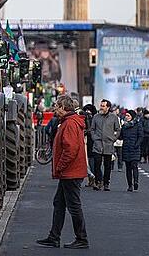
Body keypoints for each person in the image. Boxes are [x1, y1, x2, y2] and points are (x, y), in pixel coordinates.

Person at [36, 95, 90, 249]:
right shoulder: (68, 122)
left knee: (73, 205)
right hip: (70, 171)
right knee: (59, 203)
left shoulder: (70, 124)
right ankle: (54, 237)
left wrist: (60, 166)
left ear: (64, 108)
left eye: (57, 106)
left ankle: (82, 238)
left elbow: (70, 149)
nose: (55, 109)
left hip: (70, 172)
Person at [89, 99, 120, 191]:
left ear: (108, 107)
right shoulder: (96, 117)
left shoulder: (113, 117)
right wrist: (94, 138)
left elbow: (118, 130)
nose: (101, 107)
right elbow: (92, 129)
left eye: (103, 106)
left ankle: (106, 183)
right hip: (98, 144)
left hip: (108, 144)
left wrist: (113, 139)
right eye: (101, 105)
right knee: (96, 164)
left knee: (107, 166)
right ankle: (99, 181)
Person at [119, 109, 143, 191]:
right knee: (128, 168)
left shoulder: (138, 125)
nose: (126, 117)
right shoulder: (124, 126)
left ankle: (136, 181)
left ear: (132, 117)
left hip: (135, 149)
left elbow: (141, 136)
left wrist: (136, 145)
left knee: (134, 165)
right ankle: (130, 185)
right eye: (126, 115)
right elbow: (121, 137)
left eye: (128, 115)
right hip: (126, 148)